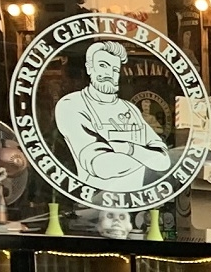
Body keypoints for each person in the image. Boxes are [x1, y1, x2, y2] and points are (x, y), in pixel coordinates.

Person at [53, 41, 172, 203]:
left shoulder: (130, 108)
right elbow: (101, 165)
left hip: (137, 205)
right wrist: (146, 156)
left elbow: (164, 160)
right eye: (103, 65)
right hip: (94, 208)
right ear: (89, 68)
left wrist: (125, 148)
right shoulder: (72, 105)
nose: (109, 73)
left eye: (115, 69)